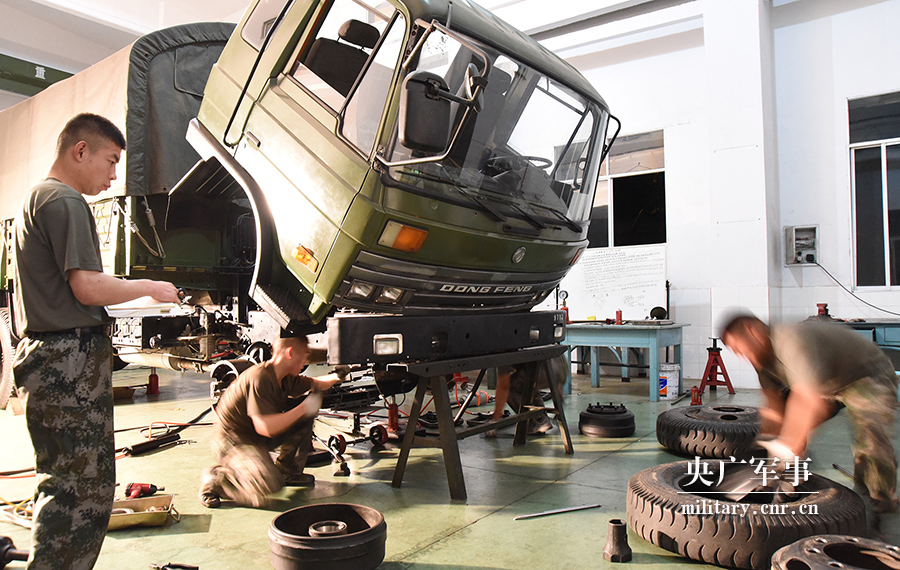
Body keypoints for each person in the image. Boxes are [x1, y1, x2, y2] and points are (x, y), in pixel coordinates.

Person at [12, 113, 181, 570]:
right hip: (67, 361)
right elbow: (86, 287)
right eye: (110, 161)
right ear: (80, 150)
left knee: (66, 484)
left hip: (52, 357)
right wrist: (150, 288)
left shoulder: (37, 197)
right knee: (81, 494)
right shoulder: (65, 200)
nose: (112, 176)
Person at [721, 313, 899, 514]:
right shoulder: (762, 360)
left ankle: (881, 501)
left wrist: (787, 447)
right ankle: (793, 479)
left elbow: (810, 400)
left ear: (752, 331)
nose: (741, 356)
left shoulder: (790, 339)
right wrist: (766, 448)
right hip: (828, 382)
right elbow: (774, 407)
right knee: (788, 428)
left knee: (869, 434)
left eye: (739, 348)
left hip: (867, 376)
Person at [199, 335, 347, 508]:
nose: (305, 361)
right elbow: (266, 427)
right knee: (268, 483)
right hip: (233, 442)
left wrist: (339, 375)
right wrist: (303, 408)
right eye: (304, 356)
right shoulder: (260, 378)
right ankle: (217, 480)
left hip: (255, 437)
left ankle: (288, 472)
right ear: (290, 353)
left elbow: (317, 383)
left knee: (304, 419)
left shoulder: (285, 378)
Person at [488, 354, 568, 437]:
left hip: (545, 372)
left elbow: (504, 387)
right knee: (526, 378)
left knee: (511, 386)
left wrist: (495, 419)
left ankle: (535, 423)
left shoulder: (502, 352)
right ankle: (541, 419)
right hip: (560, 369)